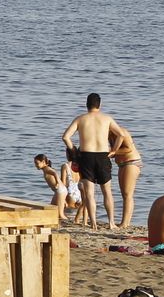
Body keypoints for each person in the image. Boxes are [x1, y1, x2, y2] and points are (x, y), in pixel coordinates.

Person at [60, 93, 125, 229]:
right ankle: (112, 222)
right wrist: (114, 150)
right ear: (99, 105)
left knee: (89, 193)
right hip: (103, 155)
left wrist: (73, 151)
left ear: (87, 104)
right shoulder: (106, 119)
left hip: (86, 156)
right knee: (107, 191)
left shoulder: (80, 119)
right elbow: (121, 134)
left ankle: (94, 223)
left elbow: (66, 137)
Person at [111, 123, 144, 229]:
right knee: (124, 194)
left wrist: (112, 151)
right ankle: (124, 221)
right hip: (122, 164)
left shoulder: (121, 132)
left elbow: (128, 149)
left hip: (131, 162)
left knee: (127, 194)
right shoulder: (109, 135)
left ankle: (125, 223)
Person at [34, 154, 79, 220]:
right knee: (51, 209)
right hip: (59, 191)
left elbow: (54, 173)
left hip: (60, 191)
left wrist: (57, 182)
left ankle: (69, 222)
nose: (35, 165)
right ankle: (52, 220)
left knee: (60, 214)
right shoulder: (45, 169)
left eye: (37, 163)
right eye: (35, 163)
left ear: (43, 162)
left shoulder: (46, 169)